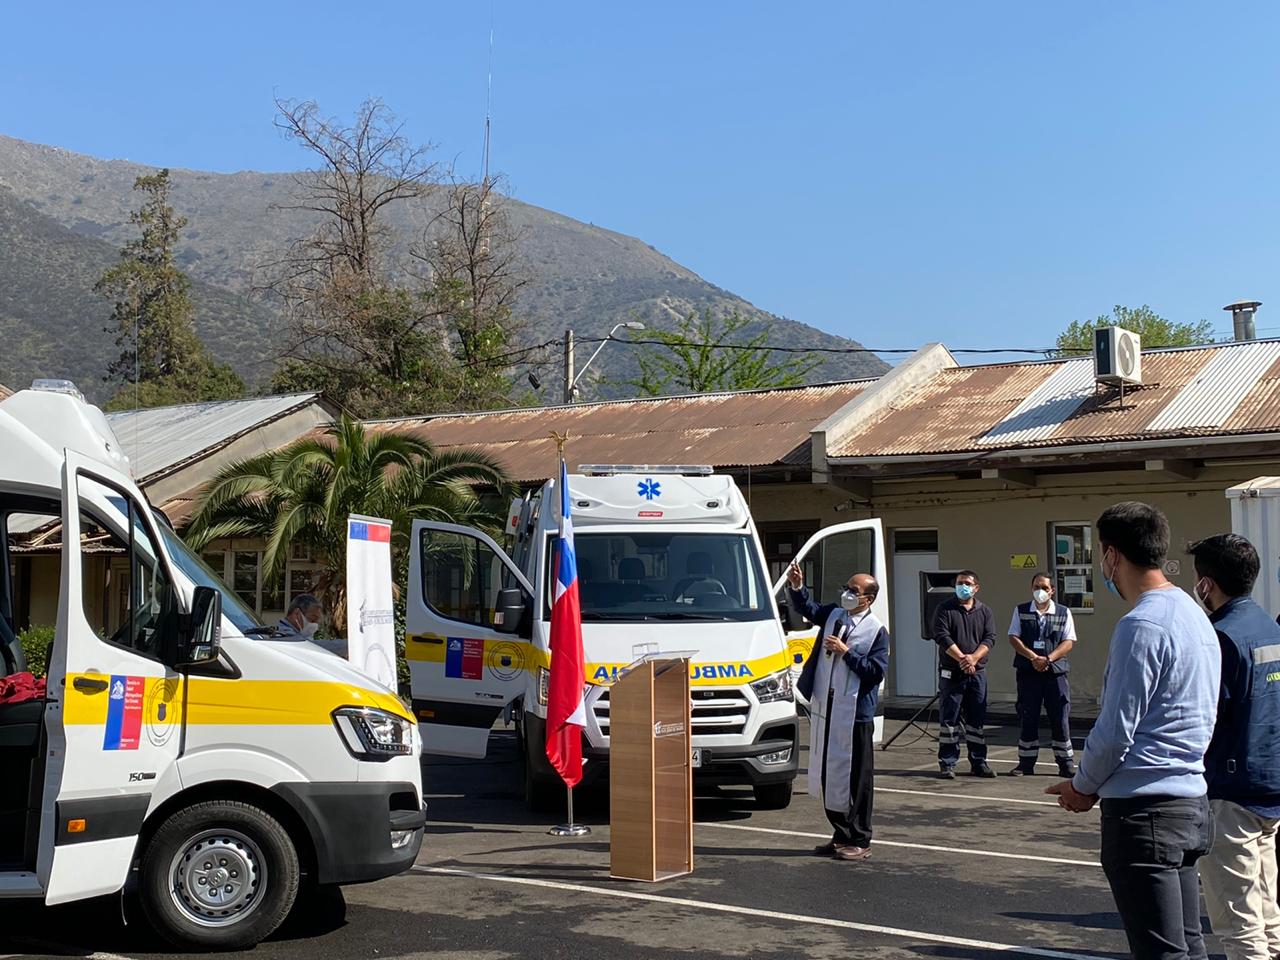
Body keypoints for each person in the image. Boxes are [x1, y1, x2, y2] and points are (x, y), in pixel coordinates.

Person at [1047, 502, 1219, 960]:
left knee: (1161, 952)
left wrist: (1082, 786)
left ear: (1111, 555)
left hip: (1145, 813)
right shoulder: (1193, 614)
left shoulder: (1141, 624)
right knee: (1188, 946)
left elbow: (1116, 728)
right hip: (1189, 803)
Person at [1188, 534, 1280, 960]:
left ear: (1206, 584)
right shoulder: (1269, 627)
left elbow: (1204, 717)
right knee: (1267, 910)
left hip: (1231, 789)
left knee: (1239, 923)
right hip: (1268, 782)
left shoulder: (1221, 637)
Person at [787, 563, 890, 863]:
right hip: (828, 706)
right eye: (846, 588)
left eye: (853, 590)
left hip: (855, 713)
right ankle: (841, 832)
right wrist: (797, 586)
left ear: (868, 598)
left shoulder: (876, 630)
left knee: (857, 777)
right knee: (830, 771)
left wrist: (847, 653)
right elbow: (807, 608)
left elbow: (875, 672)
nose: (847, 593)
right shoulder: (835, 614)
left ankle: (860, 838)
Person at [1007, 572, 1078, 778]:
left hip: (1055, 673)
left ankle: (1065, 764)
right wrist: (1033, 657)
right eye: (1036, 587)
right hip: (1028, 672)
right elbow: (1013, 637)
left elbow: (1068, 641)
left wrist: (1048, 659)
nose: (1040, 591)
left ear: (1052, 590)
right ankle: (1025, 763)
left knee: (1060, 717)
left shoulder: (1063, 612)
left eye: (1045, 588)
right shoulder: (1021, 610)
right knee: (1028, 715)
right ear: (1031, 588)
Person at [933, 570, 996, 779]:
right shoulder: (944, 608)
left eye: (967, 583)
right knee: (949, 719)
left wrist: (974, 659)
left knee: (976, 719)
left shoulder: (985, 611)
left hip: (977, 673)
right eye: (959, 583)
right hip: (952, 673)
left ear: (976, 588)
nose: (962, 586)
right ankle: (947, 763)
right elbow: (942, 636)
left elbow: (989, 638)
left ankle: (979, 762)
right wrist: (962, 659)